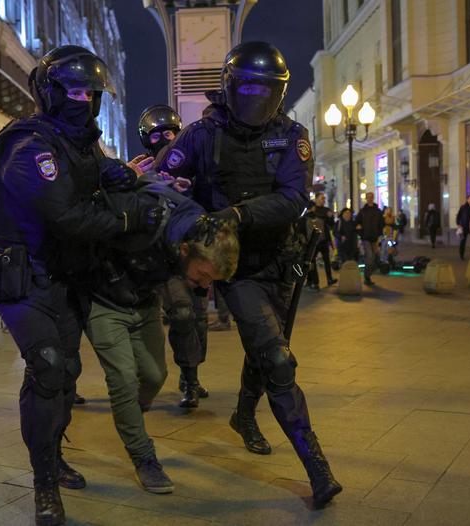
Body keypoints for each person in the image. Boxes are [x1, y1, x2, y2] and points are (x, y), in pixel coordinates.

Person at [0, 45, 163, 526]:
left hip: (67, 278)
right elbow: (67, 215)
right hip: (24, 279)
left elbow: (96, 169)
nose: (84, 100)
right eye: (75, 91)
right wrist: (129, 216)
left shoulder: (75, 142)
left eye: (91, 92)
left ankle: (53, 457)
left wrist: (130, 173)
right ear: (49, 92)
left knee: (65, 376)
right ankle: (43, 482)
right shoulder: (29, 146)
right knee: (47, 368)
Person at [156, 41, 342, 508]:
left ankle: (243, 415)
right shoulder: (201, 135)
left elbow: (293, 197)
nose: (257, 100)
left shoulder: (291, 134)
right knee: (277, 357)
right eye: (249, 89)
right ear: (230, 88)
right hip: (236, 269)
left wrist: (237, 214)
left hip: (282, 261)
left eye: (267, 91)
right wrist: (180, 195)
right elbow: (163, 181)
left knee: (267, 348)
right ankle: (317, 468)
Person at [87, 168, 240, 493]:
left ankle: (130, 414)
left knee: (155, 377)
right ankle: (143, 456)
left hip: (142, 303)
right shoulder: (147, 218)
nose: (205, 286)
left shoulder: (193, 230)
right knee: (124, 380)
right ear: (186, 252)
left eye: (211, 281)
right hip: (104, 301)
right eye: (203, 275)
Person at [136, 104, 211, 408]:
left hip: (195, 251)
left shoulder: (194, 165)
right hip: (165, 256)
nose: (165, 139)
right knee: (181, 313)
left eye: (170, 133)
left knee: (200, 318)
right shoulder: (142, 170)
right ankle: (190, 381)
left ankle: (191, 374)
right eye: (157, 135)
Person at [305, 193, 337, 290]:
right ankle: (312, 281)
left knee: (326, 260)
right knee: (312, 260)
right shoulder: (312, 210)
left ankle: (329, 278)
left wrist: (330, 217)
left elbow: (332, 225)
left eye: (324, 198)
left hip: (324, 239)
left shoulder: (327, 210)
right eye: (322, 198)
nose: (324, 200)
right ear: (316, 199)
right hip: (314, 240)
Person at [355, 192, 384, 285]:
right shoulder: (362, 211)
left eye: (371, 197)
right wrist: (361, 233)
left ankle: (368, 275)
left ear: (373, 198)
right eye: (368, 197)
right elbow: (357, 223)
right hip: (366, 238)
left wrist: (379, 235)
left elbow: (381, 224)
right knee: (370, 256)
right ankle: (366, 276)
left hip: (375, 238)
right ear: (366, 199)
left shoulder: (378, 211)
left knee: (375, 257)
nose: (370, 198)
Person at [456, 195, 470, 260]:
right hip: (464, 227)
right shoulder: (463, 207)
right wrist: (458, 224)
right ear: (467, 199)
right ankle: (461, 255)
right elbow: (458, 216)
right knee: (463, 241)